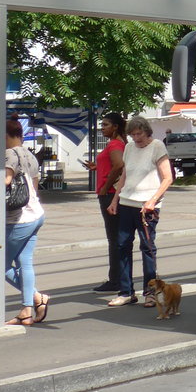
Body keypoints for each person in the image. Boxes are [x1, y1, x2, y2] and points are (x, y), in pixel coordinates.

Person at [107, 116, 173, 308]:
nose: (136, 138)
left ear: (147, 131)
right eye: (133, 134)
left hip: (147, 206)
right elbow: (125, 175)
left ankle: (150, 292)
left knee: (147, 247)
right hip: (127, 202)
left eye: (139, 134)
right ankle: (126, 292)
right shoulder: (129, 148)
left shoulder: (157, 146)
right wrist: (115, 200)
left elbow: (167, 178)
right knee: (122, 245)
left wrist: (153, 200)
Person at [4, 118, 49, 325]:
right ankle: (27, 309)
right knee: (25, 263)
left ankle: (36, 298)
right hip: (36, 214)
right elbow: (35, 185)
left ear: (4, 135)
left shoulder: (8, 155)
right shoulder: (30, 155)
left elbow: (5, 182)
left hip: (18, 219)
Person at [84, 111, 127, 293]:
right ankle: (119, 279)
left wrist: (105, 187)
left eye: (106, 125)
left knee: (114, 238)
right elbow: (113, 165)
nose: (102, 128)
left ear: (116, 126)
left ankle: (115, 280)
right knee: (117, 238)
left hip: (109, 194)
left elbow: (119, 165)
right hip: (111, 193)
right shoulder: (117, 143)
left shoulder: (116, 143)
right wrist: (97, 166)